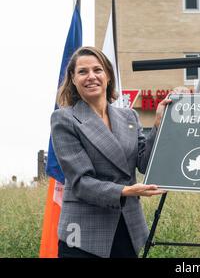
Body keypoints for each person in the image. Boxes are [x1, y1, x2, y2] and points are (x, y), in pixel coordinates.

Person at [51, 46, 169, 258]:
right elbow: (80, 182)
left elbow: (145, 163)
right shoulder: (64, 119)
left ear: (107, 75)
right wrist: (125, 191)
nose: (91, 77)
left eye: (97, 70)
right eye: (83, 72)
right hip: (83, 235)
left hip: (128, 227)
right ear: (73, 79)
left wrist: (159, 124)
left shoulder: (129, 117)